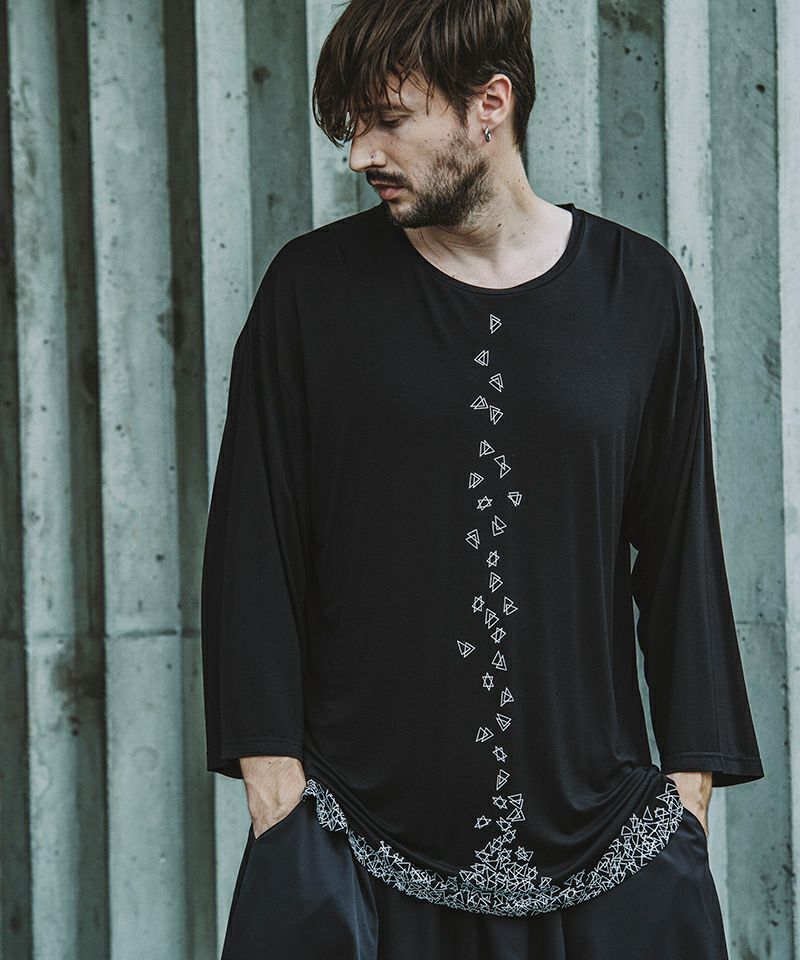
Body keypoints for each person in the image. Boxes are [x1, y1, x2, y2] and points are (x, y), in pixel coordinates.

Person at [200, 0, 765, 956]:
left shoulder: (640, 293)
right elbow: (253, 549)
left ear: (489, 104)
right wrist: (276, 795)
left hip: (606, 847)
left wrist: (688, 795)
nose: (361, 155)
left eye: (390, 119)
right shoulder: (311, 294)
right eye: (354, 127)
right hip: (352, 849)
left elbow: (681, 555)